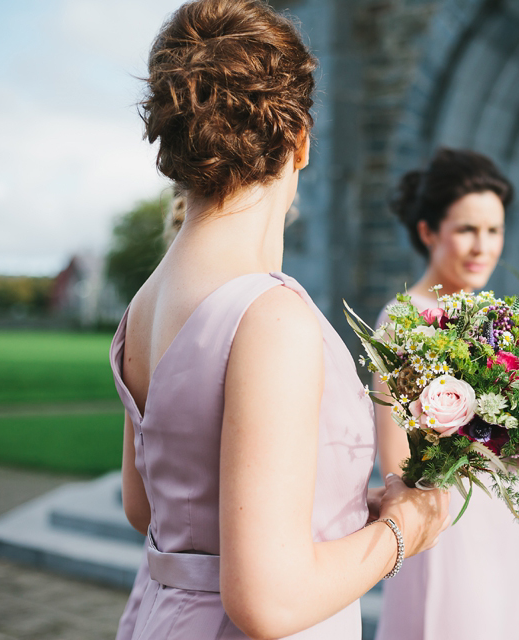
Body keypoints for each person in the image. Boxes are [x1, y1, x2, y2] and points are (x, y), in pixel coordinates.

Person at [111, 2, 450, 639]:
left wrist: (346, 510)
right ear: (298, 140)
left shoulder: (143, 304)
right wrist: (406, 528)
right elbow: (269, 602)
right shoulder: (271, 318)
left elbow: (148, 507)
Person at [373, 148, 519, 640]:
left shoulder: (498, 320)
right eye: (467, 229)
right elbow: (396, 459)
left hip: (505, 518)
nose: (482, 246)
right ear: (428, 232)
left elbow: (509, 445)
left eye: (494, 231)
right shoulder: (402, 319)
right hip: (444, 521)